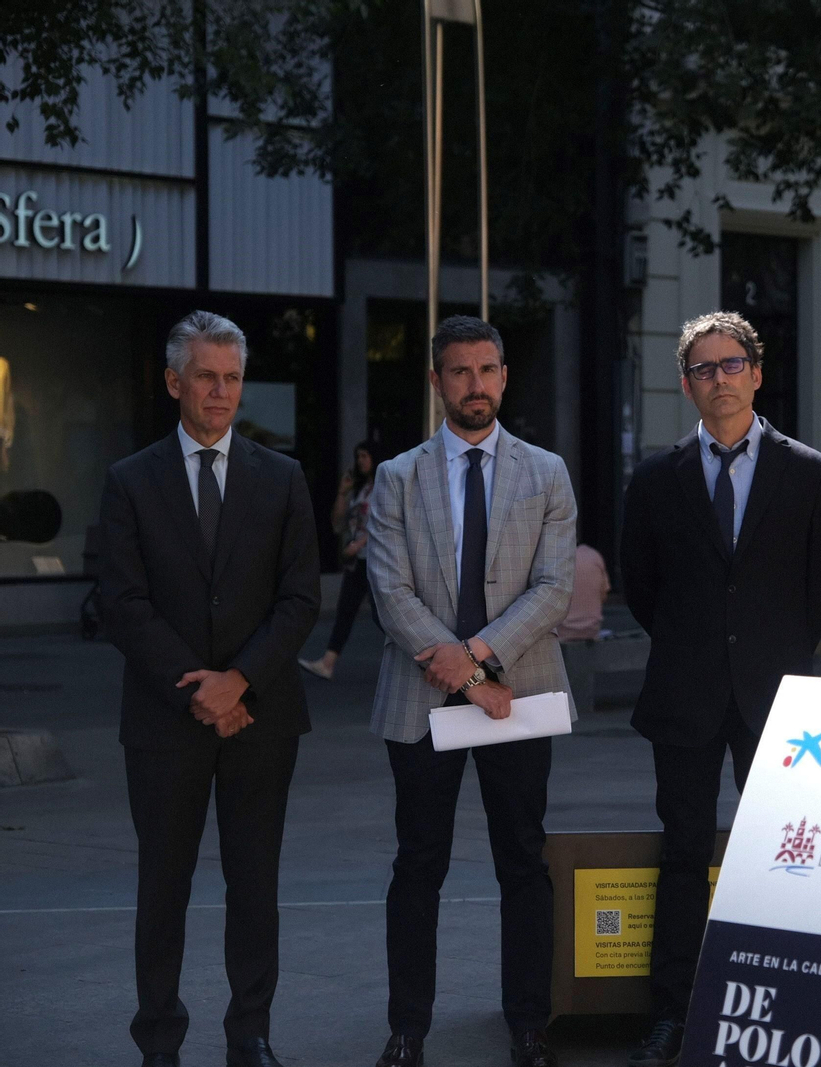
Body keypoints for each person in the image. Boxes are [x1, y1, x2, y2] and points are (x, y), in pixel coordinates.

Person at [620, 311, 821, 1066]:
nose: (719, 378)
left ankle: (777, 1007)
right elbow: (642, 588)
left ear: (756, 370)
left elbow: (820, 590)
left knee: (781, 857)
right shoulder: (655, 480)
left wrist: (769, 657)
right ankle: (672, 1014)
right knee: (681, 854)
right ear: (686, 385)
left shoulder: (809, 472)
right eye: (703, 369)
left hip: (775, 699)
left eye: (731, 363)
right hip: (683, 697)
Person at [98, 311, 320, 1067]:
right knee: (164, 887)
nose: (220, 391)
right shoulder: (129, 481)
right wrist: (197, 688)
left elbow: (300, 599)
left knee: (254, 884)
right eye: (205, 375)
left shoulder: (282, 477)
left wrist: (239, 681)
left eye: (230, 377)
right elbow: (121, 603)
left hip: (263, 715)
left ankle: (249, 1034)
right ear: (174, 382)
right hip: (165, 721)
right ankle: (158, 1039)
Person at [365, 315, 576, 1067]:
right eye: (458, 372)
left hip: (520, 694)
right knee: (418, 863)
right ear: (436, 381)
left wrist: (479, 665)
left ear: (504, 376)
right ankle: (407, 1029)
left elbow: (554, 588)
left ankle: (529, 1024)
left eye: (487, 369)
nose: (474, 385)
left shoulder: (546, 471)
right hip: (420, 701)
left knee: (523, 860)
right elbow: (389, 590)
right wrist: (456, 669)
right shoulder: (396, 477)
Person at [299, 440, 380, 679]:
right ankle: (328, 662)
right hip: (358, 563)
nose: (361, 461)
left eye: (365, 456)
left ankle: (415, 659)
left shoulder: (384, 485)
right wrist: (343, 493)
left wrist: (360, 544)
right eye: (358, 456)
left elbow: (387, 521)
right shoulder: (360, 489)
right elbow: (338, 523)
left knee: (385, 616)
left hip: (377, 560)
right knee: (345, 611)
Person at [557, 543, 611, 642]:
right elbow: (604, 595)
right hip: (591, 630)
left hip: (561, 631)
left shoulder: (558, 557)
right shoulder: (595, 556)